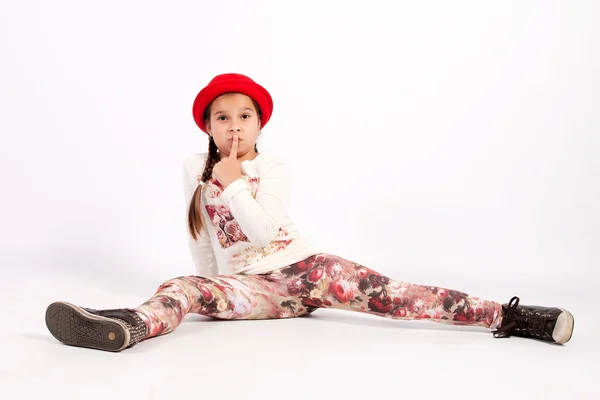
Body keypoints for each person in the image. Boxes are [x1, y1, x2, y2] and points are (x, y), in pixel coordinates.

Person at [44, 73, 575, 352]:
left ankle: (512, 317)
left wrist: (231, 184)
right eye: (222, 117)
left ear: (259, 122)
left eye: (245, 116)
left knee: (399, 296)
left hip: (308, 270)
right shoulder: (193, 167)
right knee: (181, 286)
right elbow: (202, 237)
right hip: (254, 291)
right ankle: (129, 326)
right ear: (207, 125)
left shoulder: (273, 166)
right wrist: (215, 288)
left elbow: (263, 228)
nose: (234, 126)